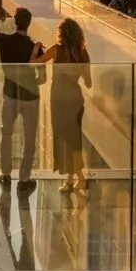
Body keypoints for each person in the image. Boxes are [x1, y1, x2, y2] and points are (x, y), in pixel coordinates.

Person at [30, 18, 92, 193]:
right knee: (73, 139)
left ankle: (77, 179)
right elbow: (88, 83)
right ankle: (74, 179)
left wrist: (35, 48)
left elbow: (35, 63)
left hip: (59, 99)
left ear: (61, 34)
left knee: (64, 139)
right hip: (76, 99)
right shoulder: (83, 53)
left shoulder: (56, 50)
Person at [0, 8, 39, 192]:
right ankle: (24, 179)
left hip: (10, 94)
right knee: (30, 137)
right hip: (30, 96)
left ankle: (5, 174)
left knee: (6, 133)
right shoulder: (34, 47)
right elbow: (42, 78)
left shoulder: (4, 41)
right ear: (29, 24)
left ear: (15, 22)